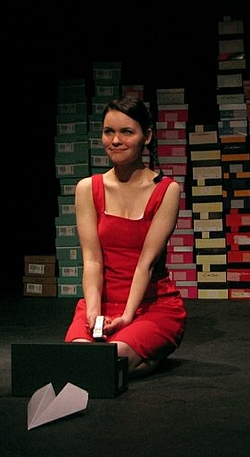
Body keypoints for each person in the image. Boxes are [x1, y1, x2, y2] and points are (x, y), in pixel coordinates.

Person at [65, 95, 187, 377]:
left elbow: (147, 262)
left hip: (150, 305)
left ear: (147, 137)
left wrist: (128, 316)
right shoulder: (87, 188)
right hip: (102, 301)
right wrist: (93, 311)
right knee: (79, 361)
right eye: (109, 132)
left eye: (126, 132)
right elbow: (92, 260)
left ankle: (144, 355)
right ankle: (141, 359)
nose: (116, 140)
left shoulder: (166, 190)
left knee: (111, 359)